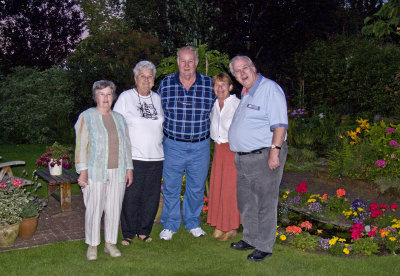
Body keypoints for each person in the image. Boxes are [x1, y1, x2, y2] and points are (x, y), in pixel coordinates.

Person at [228, 56, 288, 262]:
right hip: (244, 159)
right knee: (246, 202)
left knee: (265, 202)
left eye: (245, 68)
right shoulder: (246, 93)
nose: (242, 73)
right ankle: (251, 238)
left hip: (263, 156)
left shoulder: (269, 89)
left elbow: (280, 124)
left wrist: (274, 153)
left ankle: (264, 246)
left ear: (253, 68)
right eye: (237, 71)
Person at [157, 46, 215, 240]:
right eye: (183, 61)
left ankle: (192, 223)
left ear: (197, 62)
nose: (187, 65)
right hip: (173, 145)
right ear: (178, 62)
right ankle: (170, 225)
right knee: (171, 186)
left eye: (191, 61)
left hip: (200, 145)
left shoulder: (209, 85)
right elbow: (157, 114)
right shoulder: (166, 84)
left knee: (196, 187)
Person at [75, 80, 133, 261]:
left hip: (118, 170)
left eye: (109, 94)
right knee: (95, 208)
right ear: (95, 97)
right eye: (102, 94)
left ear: (113, 96)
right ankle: (92, 245)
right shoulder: (87, 116)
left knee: (114, 208)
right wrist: (82, 171)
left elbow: (126, 145)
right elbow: (80, 146)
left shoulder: (119, 118)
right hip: (95, 171)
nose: (105, 98)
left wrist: (129, 168)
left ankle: (110, 243)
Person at [114, 60, 164, 244]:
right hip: (133, 157)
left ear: (153, 79)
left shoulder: (158, 99)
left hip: (157, 157)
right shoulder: (126, 98)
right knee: (131, 196)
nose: (146, 79)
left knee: (150, 198)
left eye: (149, 76)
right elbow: (117, 128)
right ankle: (128, 232)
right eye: (142, 76)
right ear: (135, 78)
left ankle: (144, 231)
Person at [207, 72, 240, 242]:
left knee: (229, 190)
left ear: (230, 87)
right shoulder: (214, 105)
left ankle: (231, 226)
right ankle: (220, 224)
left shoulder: (237, 105)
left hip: (232, 150)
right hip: (219, 150)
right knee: (218, 187)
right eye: (216, 85)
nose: (220, 88)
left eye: (223, 84)